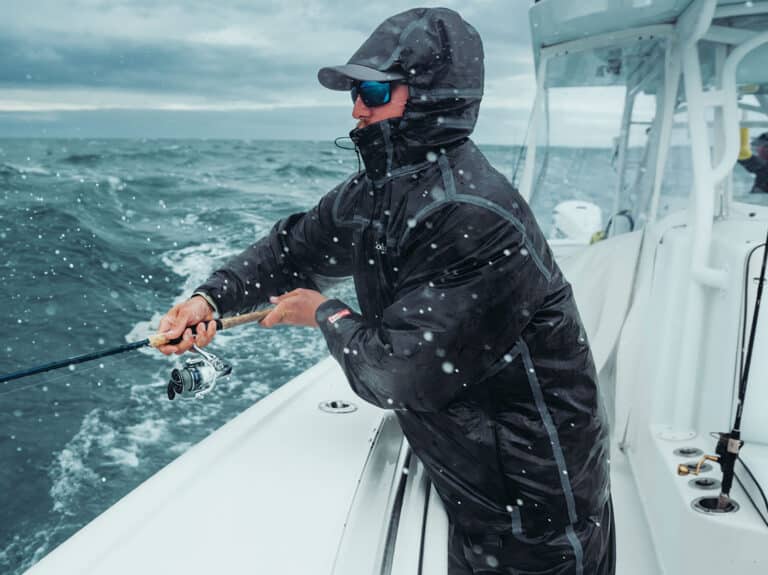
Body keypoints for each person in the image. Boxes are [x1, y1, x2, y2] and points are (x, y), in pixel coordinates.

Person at [158, 8, 615, 574]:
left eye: (373, 90)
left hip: (533, 505)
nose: (357, 108)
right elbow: (292, 250)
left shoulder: (472, 214)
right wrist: (211, 300)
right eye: (354, 91)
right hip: (475, 470)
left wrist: (322, 313)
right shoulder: (380, 190)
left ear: (432, 97)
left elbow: (401, 373)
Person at [738, 127, 768, 193]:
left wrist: (742, 125)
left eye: (764, 146)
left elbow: (742, 153)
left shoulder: (764, 168)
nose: (758, 150)